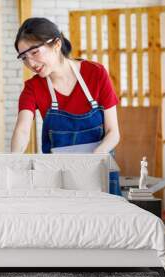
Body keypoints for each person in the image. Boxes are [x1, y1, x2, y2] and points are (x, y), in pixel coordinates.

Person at [11, 17, 121, 195]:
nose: (30, 63)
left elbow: (113, 133)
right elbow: (22, 130)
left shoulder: (96, 73)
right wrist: (13, 163)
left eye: (34, 52)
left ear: (56, 44)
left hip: (99, 172)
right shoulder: (33, 87)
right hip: (57, 179)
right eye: (24, 57)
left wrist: (92, 160)